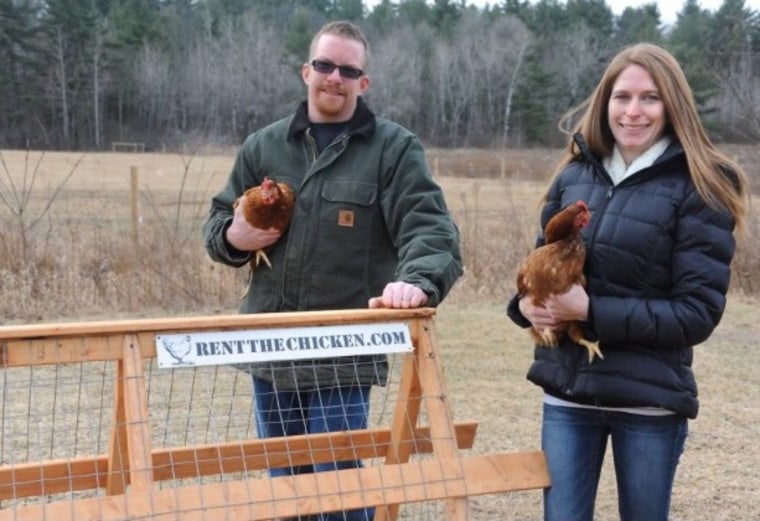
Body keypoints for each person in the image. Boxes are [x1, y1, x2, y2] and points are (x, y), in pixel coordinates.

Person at [203, 20, 462, 521]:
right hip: (271, 342)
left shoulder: (393, 149)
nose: (334, 77)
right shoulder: (264, 146)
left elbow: (431, 230)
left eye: (348, 69)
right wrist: (234, 239)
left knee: (338, 484)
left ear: (364, 83)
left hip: (344, 347)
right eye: (324, 65)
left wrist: (416, 281)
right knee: (284, 487)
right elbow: (217, 221)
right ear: (306, 71)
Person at [506, 43, 750, 521]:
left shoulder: (700, 185)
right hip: (568, 394)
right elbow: (538, 266)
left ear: (673, 104)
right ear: (605, 103)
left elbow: (695, 314)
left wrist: (590, 312)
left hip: (648, 404)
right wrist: (525, 307)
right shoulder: (575, 175)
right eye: (622, 97)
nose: (633, 111)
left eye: (650, 98)